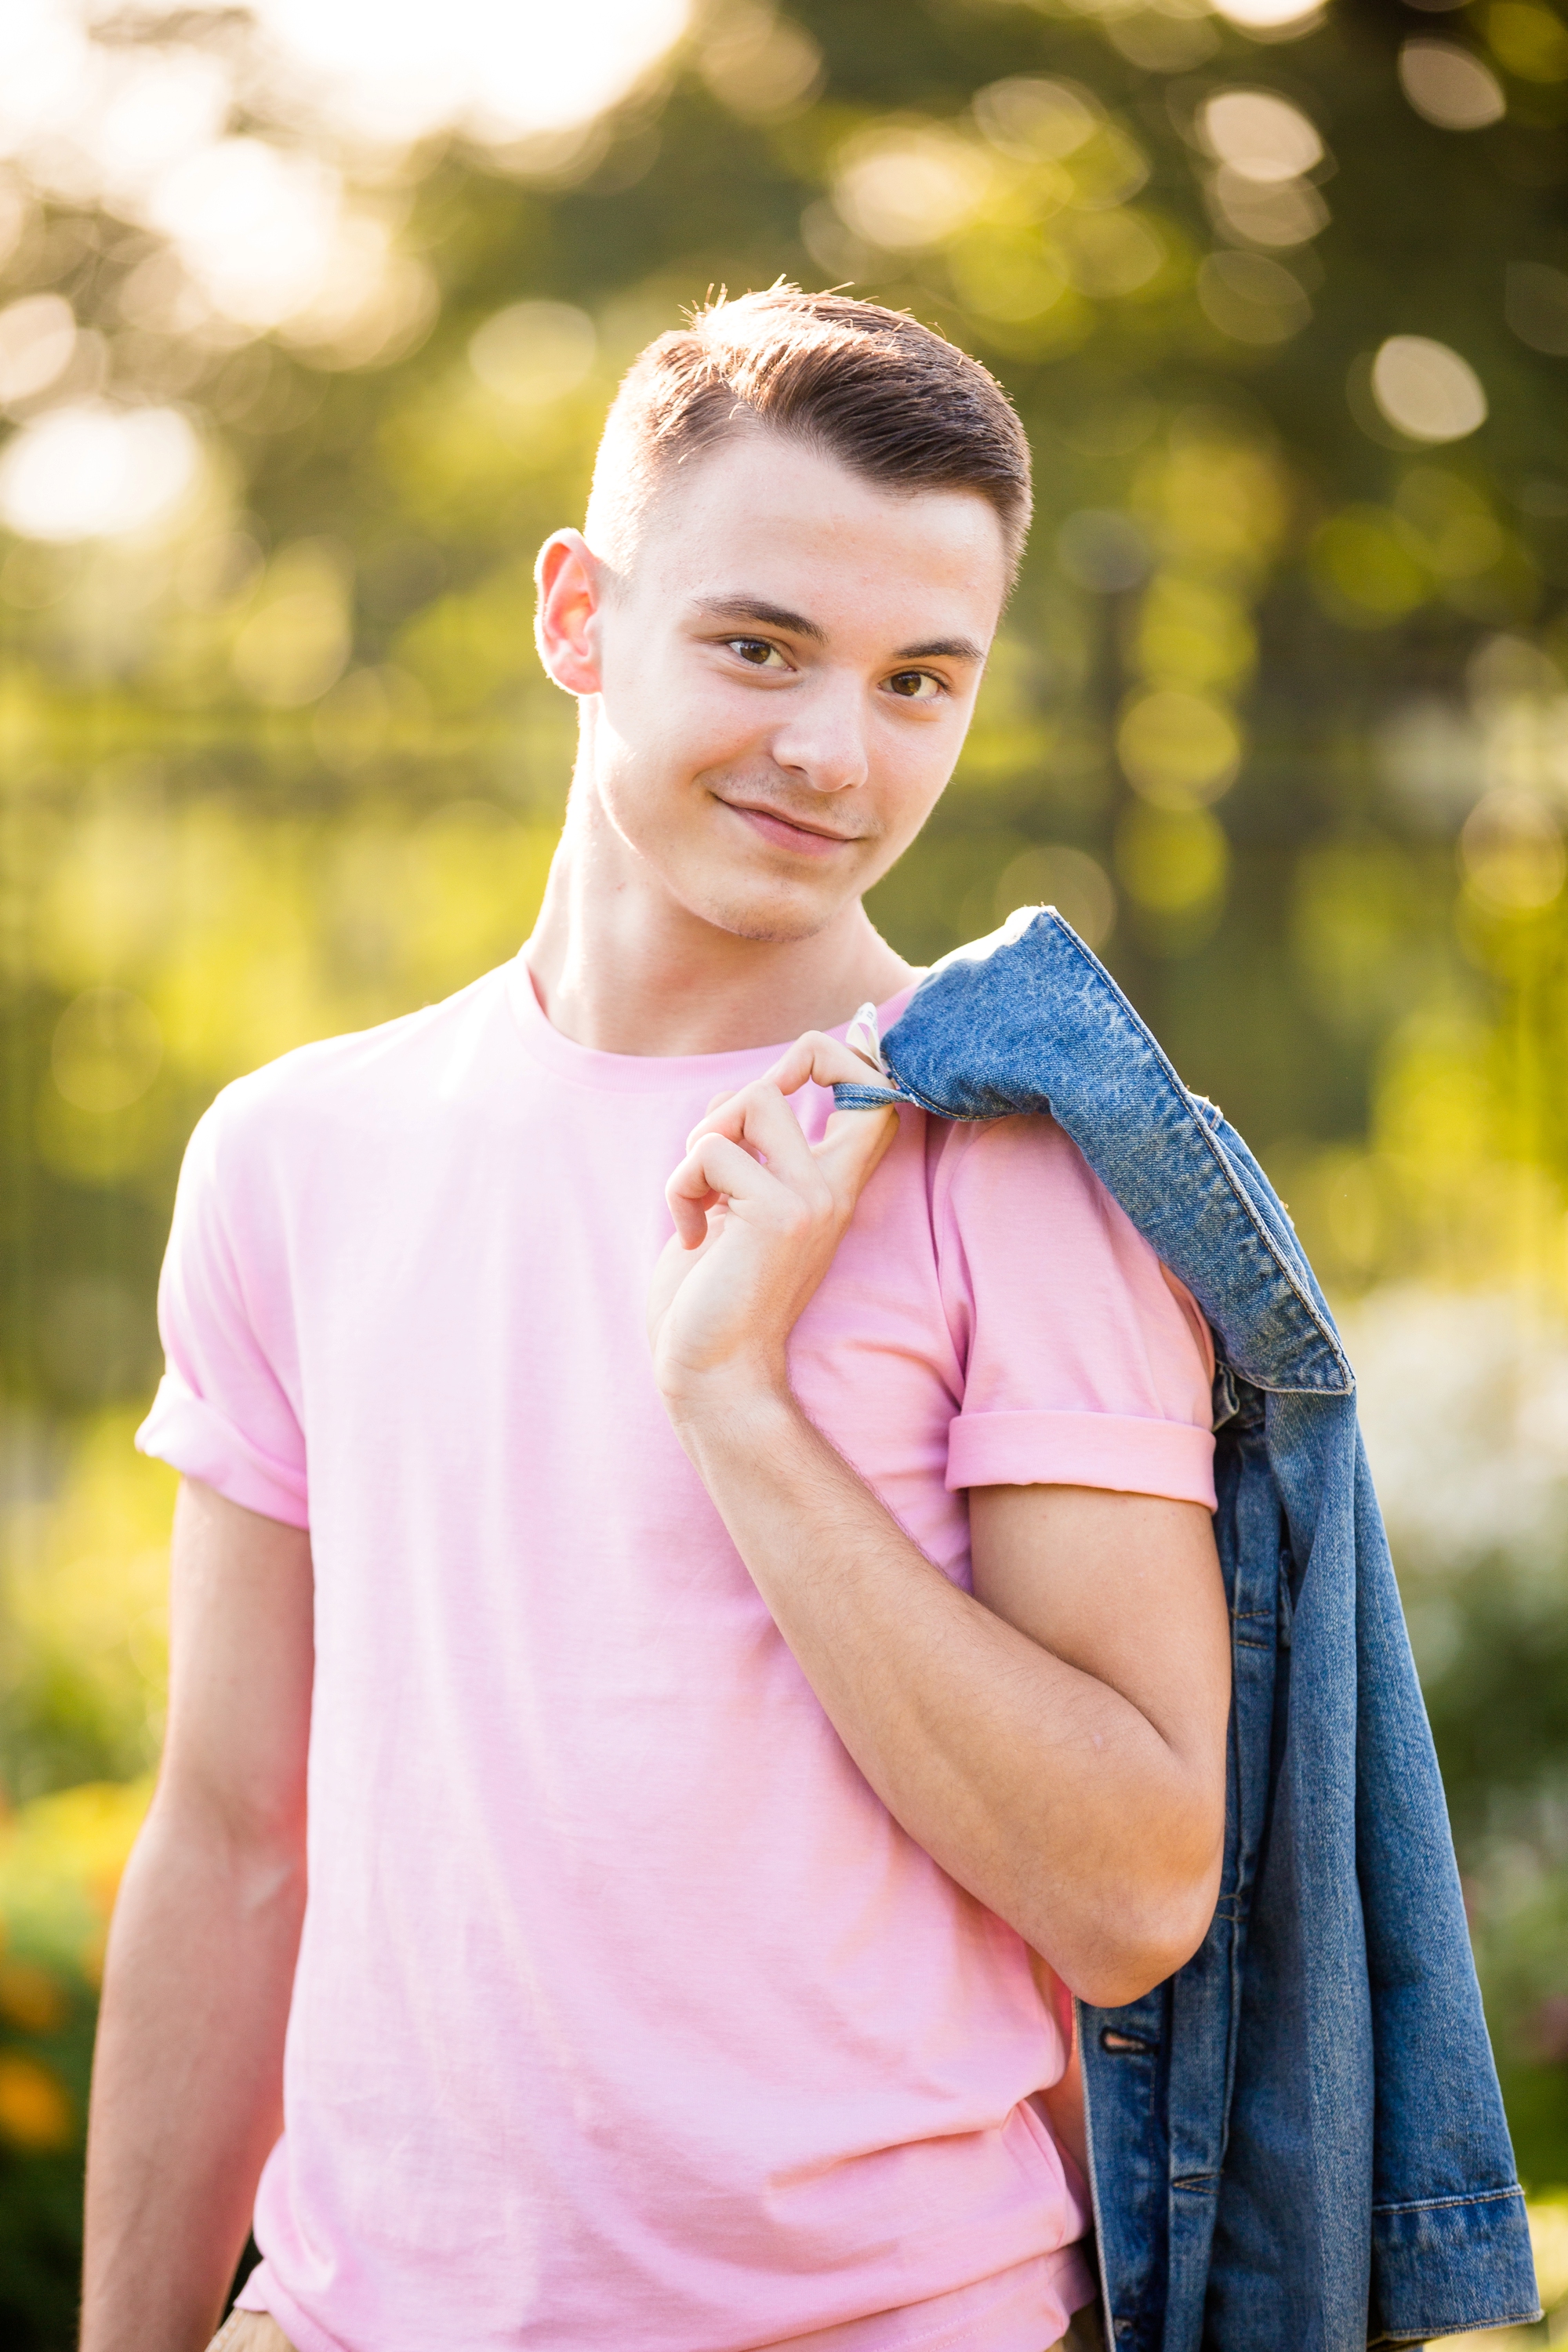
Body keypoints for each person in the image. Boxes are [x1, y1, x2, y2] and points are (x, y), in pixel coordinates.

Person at [82, 288, 1232, 2352]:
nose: (832, 750)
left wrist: (738, 1407)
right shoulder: (298, 1154)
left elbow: (1137, 1893)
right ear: (577, 617)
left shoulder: (1011, 1164)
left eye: (917, 682)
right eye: (761, 645)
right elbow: (231, 1838)